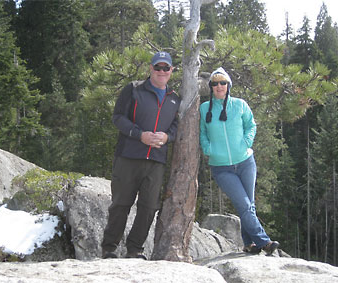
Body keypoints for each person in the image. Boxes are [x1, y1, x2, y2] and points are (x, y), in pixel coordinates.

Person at [101, 51, 181, 259]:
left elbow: (175, 126)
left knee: (149, 207)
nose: (161, 71)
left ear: (171, 71)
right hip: (128, 156)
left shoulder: (174, 98)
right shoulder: (134, 89)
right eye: (158, 67)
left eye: (166, 68)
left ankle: (135, 249)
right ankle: (109, 247)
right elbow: (118, 117)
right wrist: (139, 135)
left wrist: (167, 137)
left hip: (156, 160)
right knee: (121, 203)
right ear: (151, 69)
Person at [199, 67, 279, 255]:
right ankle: (264, 242)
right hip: (221, 167)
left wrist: (246, 142)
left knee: (248, 205)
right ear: (211, 87)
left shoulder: (240, 104)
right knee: (244, 204)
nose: (219, 86)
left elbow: (251, 125)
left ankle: (249, 244)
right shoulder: (204, 108)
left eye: (223, 82)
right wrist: (207, 148)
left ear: (228, 85)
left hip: (245, 162)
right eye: (215, 83)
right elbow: (202, 132)